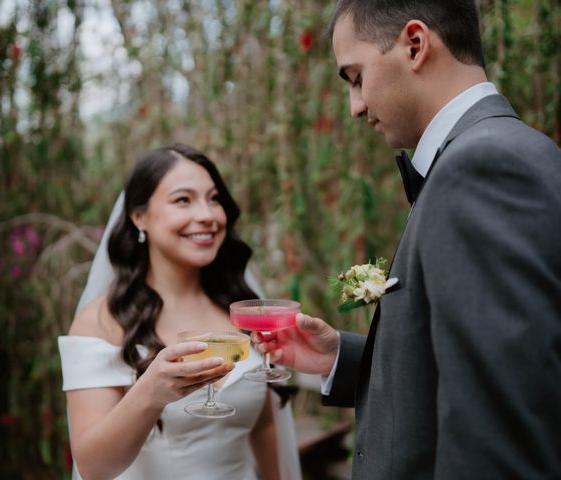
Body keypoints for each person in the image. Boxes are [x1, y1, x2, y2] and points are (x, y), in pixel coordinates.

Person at [254, 1, 561, 478]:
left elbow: (498, 435)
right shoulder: (499, 153)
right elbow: (477, 367)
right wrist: (341, 357)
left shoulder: (481, 170)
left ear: (415, 46)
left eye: (356, 78)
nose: (355, 107)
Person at [58, 143, 302, 480]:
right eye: (183, 200)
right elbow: (94, 467)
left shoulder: (240, 308)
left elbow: (262, 426)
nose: (207, 215)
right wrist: (151, 393)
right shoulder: (101, 321)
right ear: (138, 216)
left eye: (214, 198)